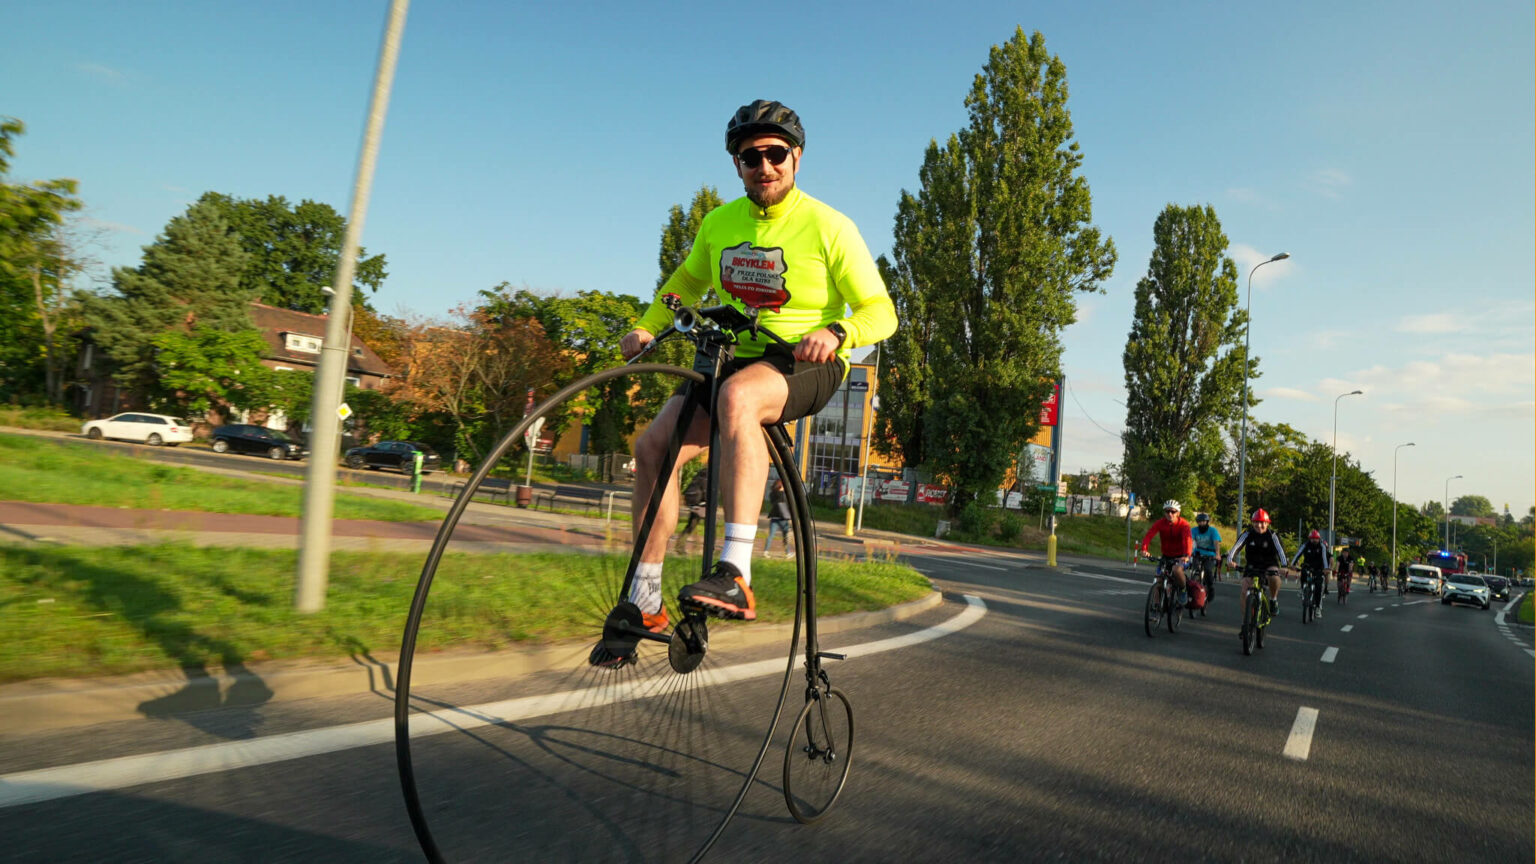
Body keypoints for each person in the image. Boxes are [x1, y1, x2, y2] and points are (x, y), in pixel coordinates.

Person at [610, 99, 897, 645]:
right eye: (750, 157)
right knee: (652, 448)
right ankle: (645, 600)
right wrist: (647, 327)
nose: (764, 166)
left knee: (739, 397)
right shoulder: (719, 223)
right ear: (736, 164)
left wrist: (838, 332)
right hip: (728, 357)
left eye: (775, 154)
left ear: (797, 157)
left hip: (802, 361)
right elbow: (684, 284)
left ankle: (736, 571)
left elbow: (882, 311)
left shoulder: (830, 226)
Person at [1227, 508, 1287, 628]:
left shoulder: (1273, 535)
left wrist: (1284, 566)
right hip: (1252, 565)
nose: (1259, 525)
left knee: (1274, 577)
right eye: (1256, 522)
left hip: (1269, 564)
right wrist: (1230, 560)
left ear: (1267, 523)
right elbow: (1236, 548)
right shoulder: (1247, 534)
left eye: (1262, 523)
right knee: (1244, 590)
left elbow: (1281, 552)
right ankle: (1246, 622)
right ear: (1252, 523)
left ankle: (1273, 600)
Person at [1138, 500, 1193, 606]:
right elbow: (1149, 535)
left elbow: (1188, 540)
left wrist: (1187, 555)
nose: (1170, 514)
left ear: (1178, 513)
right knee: (1158, 580)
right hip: (1166, 556)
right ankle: (1156, 606)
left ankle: (1183, 590)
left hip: (1181, 556)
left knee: (1176, 570)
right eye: (1167, 511)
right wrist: (1144, 549)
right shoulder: (1160, 523)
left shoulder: (1184, 525)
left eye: (1173, 511)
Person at [1290, 529, 1332, 618]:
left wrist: (1326, 568)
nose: (1314, 540)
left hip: (1319, 568)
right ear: (1309, 538)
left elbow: (1324, 557)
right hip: (1308, 565)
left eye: (1315, 538)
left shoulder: (1322, 546)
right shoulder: (1305, 545)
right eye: (1312, 538)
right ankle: (1302, 589)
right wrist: (1292, 564)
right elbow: (1298, 554)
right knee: (1303, 572)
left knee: (1318, 586)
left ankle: (1318, 608)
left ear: (1319, 538)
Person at [672, 470, 710, 554]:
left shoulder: (697, 477)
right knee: (711, 527)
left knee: (691, 526)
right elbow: (706, 492)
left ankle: (680, 546)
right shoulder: (706, 478)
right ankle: (710, 550)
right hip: (700, 504)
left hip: (693, 504)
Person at [1190, 512, 1222, 602]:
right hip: (1197, 553)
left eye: (1203, 521)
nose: (1201, 523)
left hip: (1210, 554)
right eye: (1199, 522)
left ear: (1207, 522)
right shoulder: (1194, 530)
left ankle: (1210, 588)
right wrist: (1189, 552)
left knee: (1208, 570)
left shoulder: (1213, 531)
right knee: (1195, 569)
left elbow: (1216, 542)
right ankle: (1194, 587)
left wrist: (1217, 554)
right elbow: (1190, 541)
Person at [763, 478, 794, 558]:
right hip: (783, 517)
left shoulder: (772, 493)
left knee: (771, 535)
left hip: (774, 517)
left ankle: (766, 551)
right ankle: (788, 553)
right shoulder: (782, 494)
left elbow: (774, 503)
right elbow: (785, 503)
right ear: (781, 485)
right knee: (786, 536)